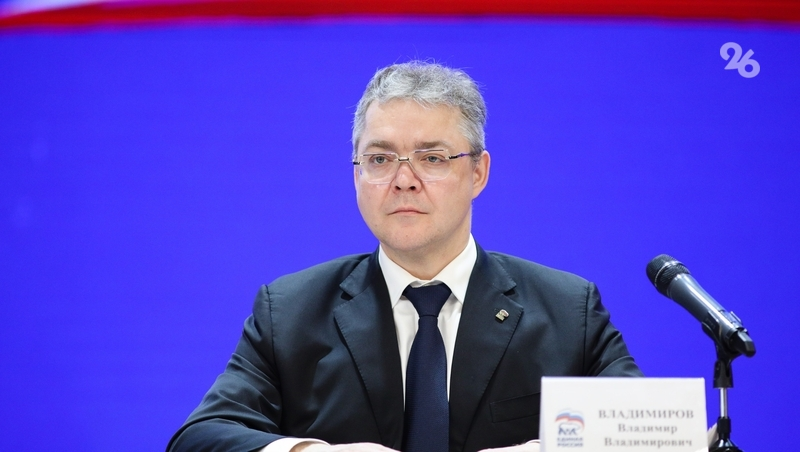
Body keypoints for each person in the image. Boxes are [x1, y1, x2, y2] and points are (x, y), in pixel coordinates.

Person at [167, 61, 642, 452]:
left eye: (431, 158)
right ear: (356, 175)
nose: (404, 180)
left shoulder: (567, 310)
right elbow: (199, 438)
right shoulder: (290, 312)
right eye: (380, 159)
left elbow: (642, 432)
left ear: (478, 173)